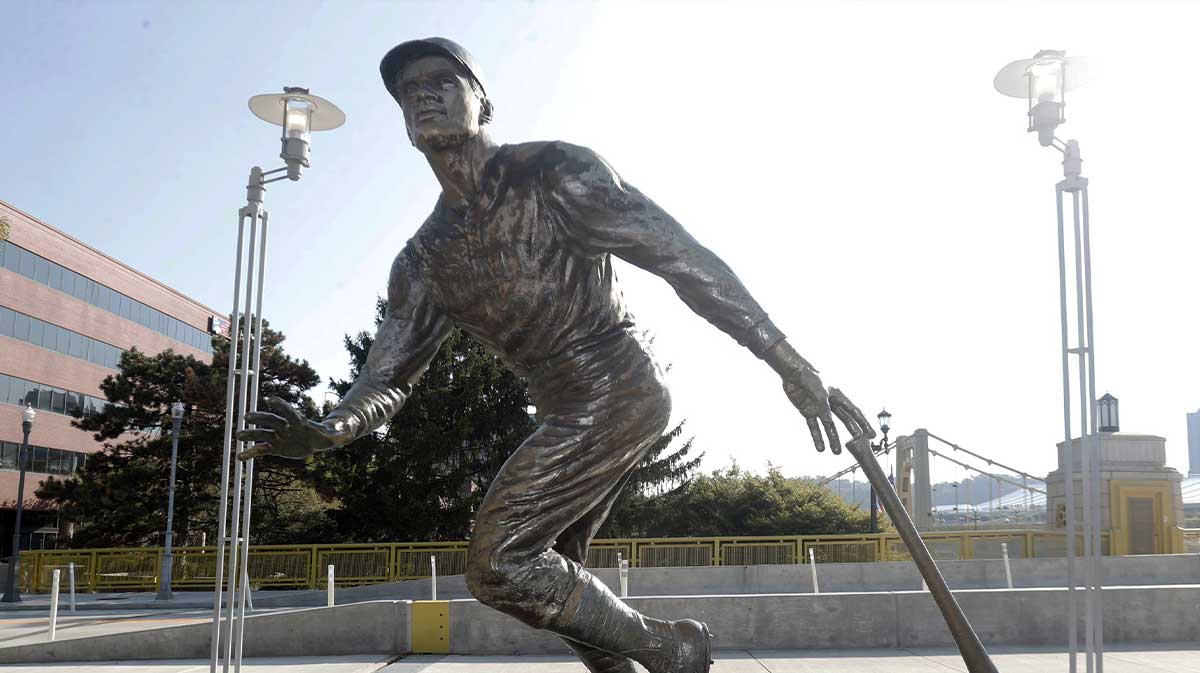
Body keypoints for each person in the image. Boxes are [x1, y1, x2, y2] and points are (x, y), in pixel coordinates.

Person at [238, 37, 868, 673]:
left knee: (499, 564)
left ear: (483, 102)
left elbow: (683, 259)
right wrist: (327, 430)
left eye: (442, 81)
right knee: (556, 583)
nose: (422, 94)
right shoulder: (424, 259)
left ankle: (674, 650)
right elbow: (385, 379)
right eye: (407, 91)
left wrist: (791, 363)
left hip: (617, 388)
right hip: (562, 408)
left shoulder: (556, 172)